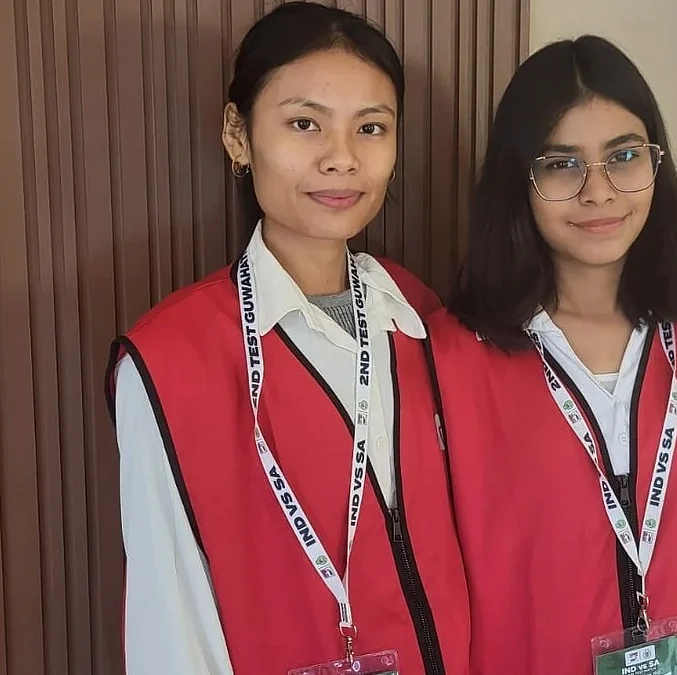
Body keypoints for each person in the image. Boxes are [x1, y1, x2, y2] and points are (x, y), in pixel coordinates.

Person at [106, 4, 469, 674]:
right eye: (305, 123)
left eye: (371, 128)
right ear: (237, 135)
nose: (342, 158)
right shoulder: (170, 360)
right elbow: (170, 619)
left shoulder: (417, 316)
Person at [425, 36, 677, 675]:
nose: (598, 192)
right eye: (561, 164)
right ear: (519, 182)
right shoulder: (451, 355)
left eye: (624, 156)